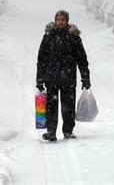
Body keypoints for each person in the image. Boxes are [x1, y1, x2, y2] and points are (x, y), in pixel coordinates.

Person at [36, 10, 91, 142]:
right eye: (58, 19)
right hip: (51, 78)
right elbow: (41, 59)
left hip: (68, 79)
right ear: (55, 21)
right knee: (51, 107)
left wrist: (85, 77)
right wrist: (39, 78)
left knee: (68, 107)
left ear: (67, 21)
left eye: (63, 19)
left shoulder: (74, 37)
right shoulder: (48, 36)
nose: (60, 22)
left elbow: (82, 59)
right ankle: (51, 132)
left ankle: (68, 131)